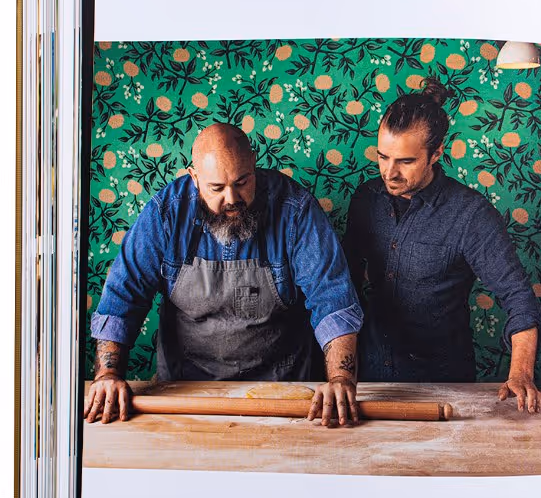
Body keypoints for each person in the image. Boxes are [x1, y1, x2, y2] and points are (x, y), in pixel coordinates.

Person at [86, 123, 364, 427]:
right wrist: (108, 374)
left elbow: (332, 298)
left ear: (254, 165)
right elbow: (123, 297)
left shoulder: (295, 210)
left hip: (285, 394)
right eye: (216, 188)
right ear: (194, 178)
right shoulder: (165, 214)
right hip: (185, 392)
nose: (232, 198)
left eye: (242, 182)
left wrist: (341, 377)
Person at [342, 78, 541, 413]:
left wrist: (521, 373)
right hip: (371, 376)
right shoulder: (365, 199)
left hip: (444, 383)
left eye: (405, 162)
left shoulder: (471, 215)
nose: (389, 173)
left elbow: (518, 297)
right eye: (382, 157)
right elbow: (343, 284)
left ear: (437, 153)